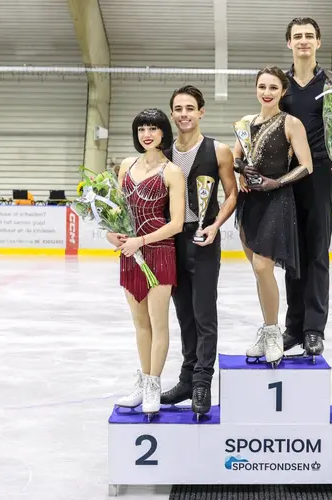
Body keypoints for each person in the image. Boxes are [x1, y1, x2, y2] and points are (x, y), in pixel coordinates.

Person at [159, 85, 238, 416]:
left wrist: (215, 226)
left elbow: (233, 194)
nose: (183, 114)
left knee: (204, 313)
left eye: (190, 108)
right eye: (178, 109)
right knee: (184, 315)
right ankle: (187, 378)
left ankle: (203, 381)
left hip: (204, 238)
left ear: (201, 112)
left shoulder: (218, 151)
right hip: (171, 241)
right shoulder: (163, 153)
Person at [278, 17, 332, 357]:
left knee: (318, 253)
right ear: (288, 43)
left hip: (320, 173)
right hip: (287, 176)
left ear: (318, 42)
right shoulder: (279, 83)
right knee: (293, 255)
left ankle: (313, 330)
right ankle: (293, 328)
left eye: (309, 36)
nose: (303, 41)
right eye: (297, 36)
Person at [234, 65, 313, 367]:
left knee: (262, 264)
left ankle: (273, 333)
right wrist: (241, 170)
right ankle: (268, 327)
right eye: (262, 87)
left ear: (283, 91)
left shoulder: (291, 123)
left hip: (277, 199)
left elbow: (306, 165)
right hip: (249, 202)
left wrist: (276, 182)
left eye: (273, 88)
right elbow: (236, 156)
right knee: (258, 270)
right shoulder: (246, 122)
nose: (267, 93)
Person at [108, 108, 186, 416]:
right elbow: (115, 211)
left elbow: (177, 223)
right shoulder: (126, 165)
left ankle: (154, 384)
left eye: (153, 128)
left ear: (163, 133)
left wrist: (140, 241)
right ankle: (142, 382)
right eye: (141, 129)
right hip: (129, 254)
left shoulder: (172, 172)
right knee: (140, 324)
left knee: (158, 323)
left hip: (159, 252)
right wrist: (111, 235)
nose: (147, 134)